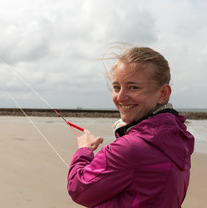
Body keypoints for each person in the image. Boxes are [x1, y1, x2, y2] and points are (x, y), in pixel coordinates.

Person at [67, 47, 195, 207]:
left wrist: (84, 150)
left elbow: (78, 188)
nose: (120, 97)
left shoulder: (129, 148)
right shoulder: (177, 138)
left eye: (133, 87)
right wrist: (130, 131)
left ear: (163, 93)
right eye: (116, 87)